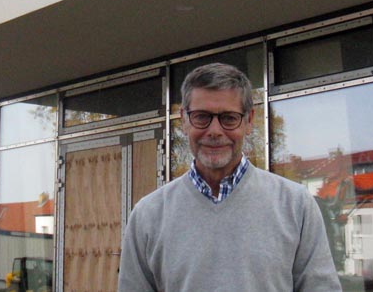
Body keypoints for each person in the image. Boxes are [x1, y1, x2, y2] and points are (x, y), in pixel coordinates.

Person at [117, 63, 341, 292]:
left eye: (229, 118)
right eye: (201, 117)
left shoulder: (295, 205)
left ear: (249, 121)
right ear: (184, 120)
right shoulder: (148, 215)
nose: (214, 131)